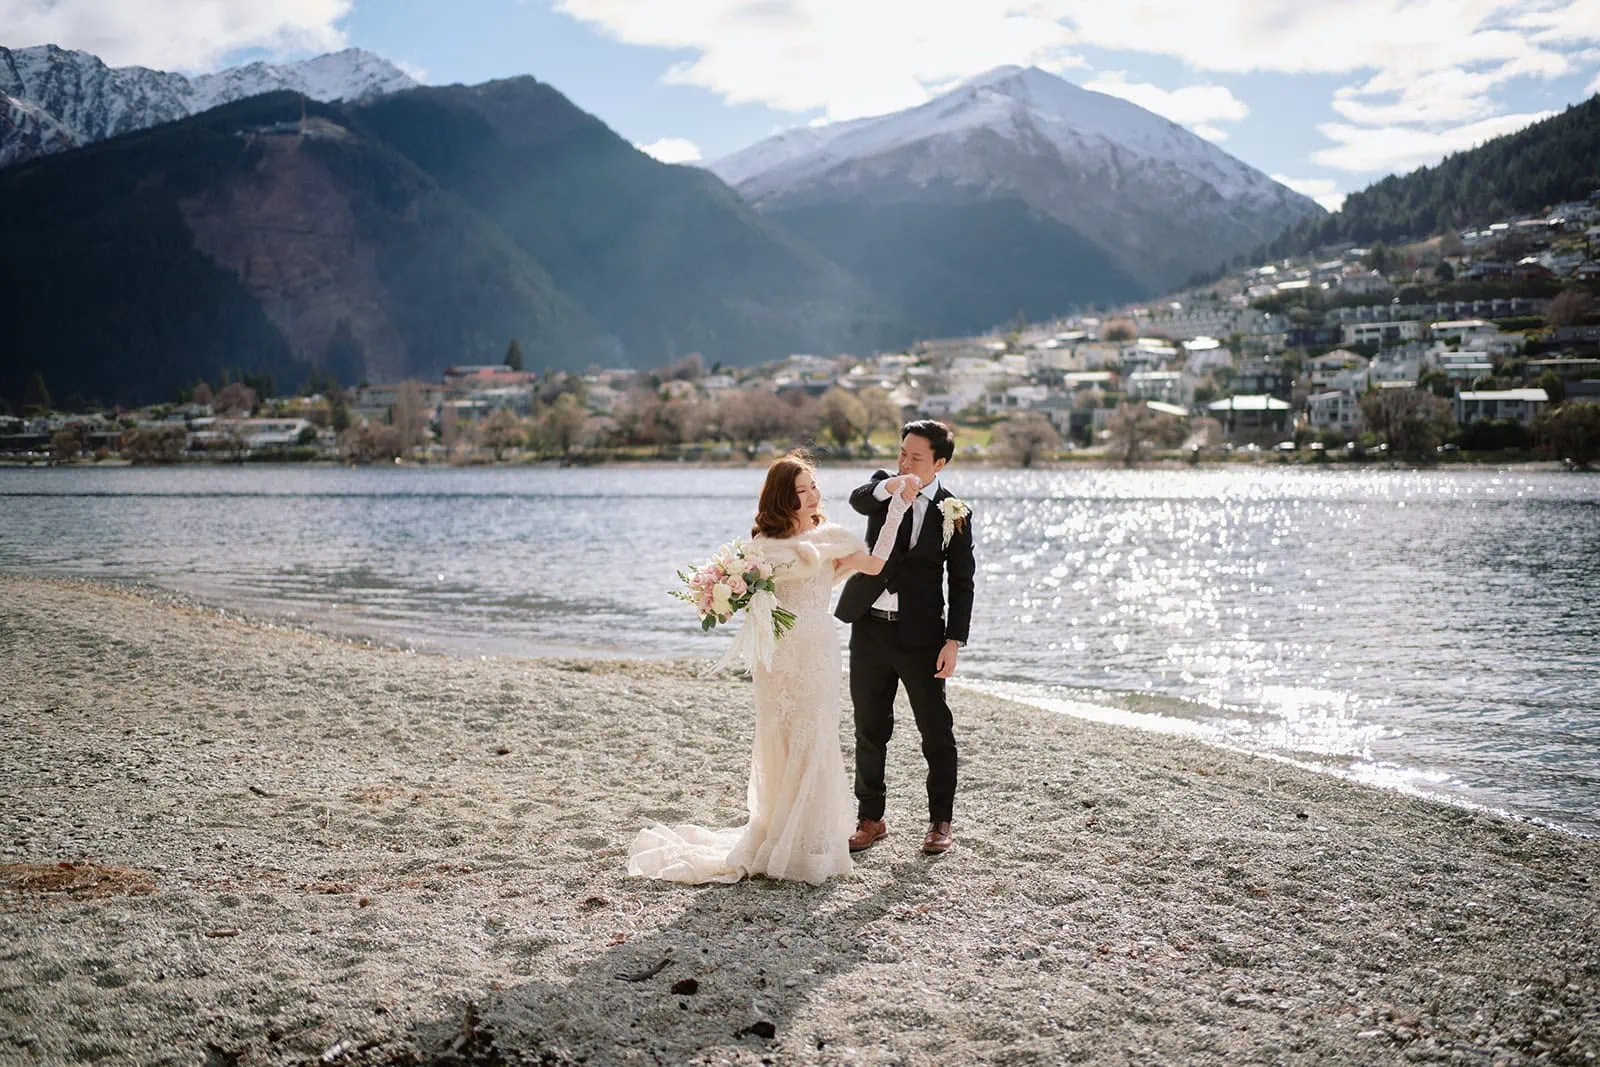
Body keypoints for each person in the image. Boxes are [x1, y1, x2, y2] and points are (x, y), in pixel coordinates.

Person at [628, 452, 909, 885]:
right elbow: (750, 599)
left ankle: (811, 837)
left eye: (814, 486)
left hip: (816, 647)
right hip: (777, 653)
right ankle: (780, 831)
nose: (813, 495)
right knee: (778, 732)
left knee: (815, 732)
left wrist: (897, 510)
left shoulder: (832, 537)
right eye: (802, 490)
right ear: (783, 498)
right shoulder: (761, 549)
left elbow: (876, 565)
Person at [834, 420, 975, 855]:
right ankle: (871, 819)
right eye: (902, 453)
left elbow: (962, 581)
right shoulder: (883, 488)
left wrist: (954, 640)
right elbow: (859, 499)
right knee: (870, 727)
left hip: (923, 636)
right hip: (869, 626)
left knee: (936, 731)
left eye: (916, 457)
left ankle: (940, 823)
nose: (906, 462)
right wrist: (893, 485)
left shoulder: (955, 511)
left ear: (939, 462)